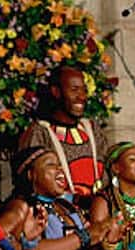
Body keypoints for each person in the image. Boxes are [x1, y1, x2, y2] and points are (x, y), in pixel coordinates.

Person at [19, 66, 107, 211]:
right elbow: (32, 185)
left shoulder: (92, 129)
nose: (82, 96)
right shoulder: (40, 132)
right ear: (56, 92)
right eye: (74, 90)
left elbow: (107, 173)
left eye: (84, 90)